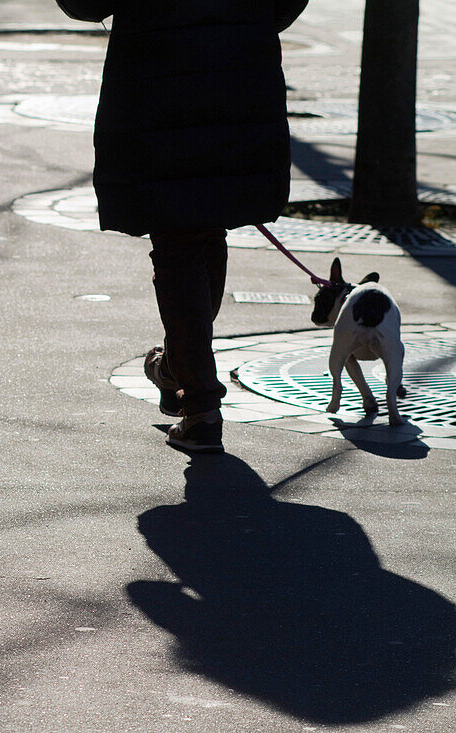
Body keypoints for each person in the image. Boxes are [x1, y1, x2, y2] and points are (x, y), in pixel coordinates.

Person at [56, 0, 309, 452]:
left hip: (157, 76)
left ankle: (200, 405)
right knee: (206, 224)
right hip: (238, 65)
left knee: (179, 237)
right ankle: (180, 372)